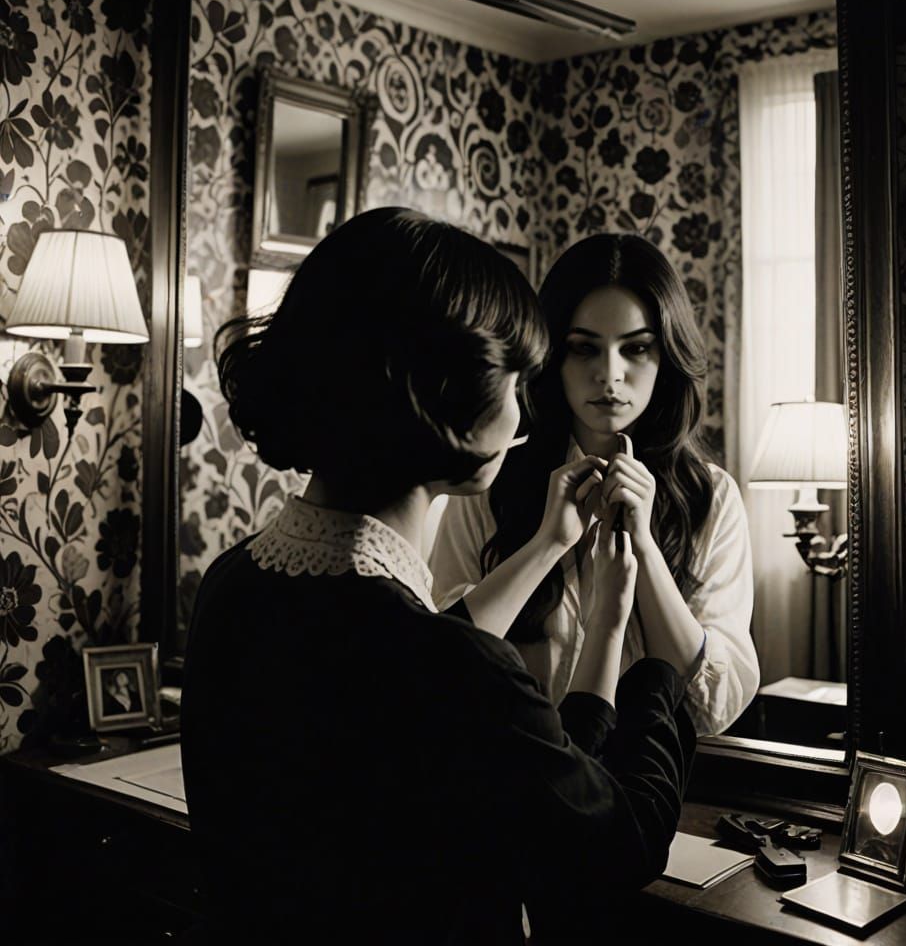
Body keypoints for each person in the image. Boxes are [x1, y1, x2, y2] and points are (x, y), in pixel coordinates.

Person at [180, 208, 698, 944]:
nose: (526, 411)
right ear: (442, 398)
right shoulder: (445, 665)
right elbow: (619, 846)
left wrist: (557, 555)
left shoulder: (234, 584)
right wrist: (655, 676)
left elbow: (487, 744)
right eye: (515, 379)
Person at [430, 233, 758, 737]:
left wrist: (645, 549)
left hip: (649, 799)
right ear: (553, 355)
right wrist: (546, 544)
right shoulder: (489, 484)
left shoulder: (710, 498)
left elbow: (714, 710)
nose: (610, 375)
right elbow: (442, 671)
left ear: (665, 355)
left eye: (637, 348)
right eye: (584, 348)